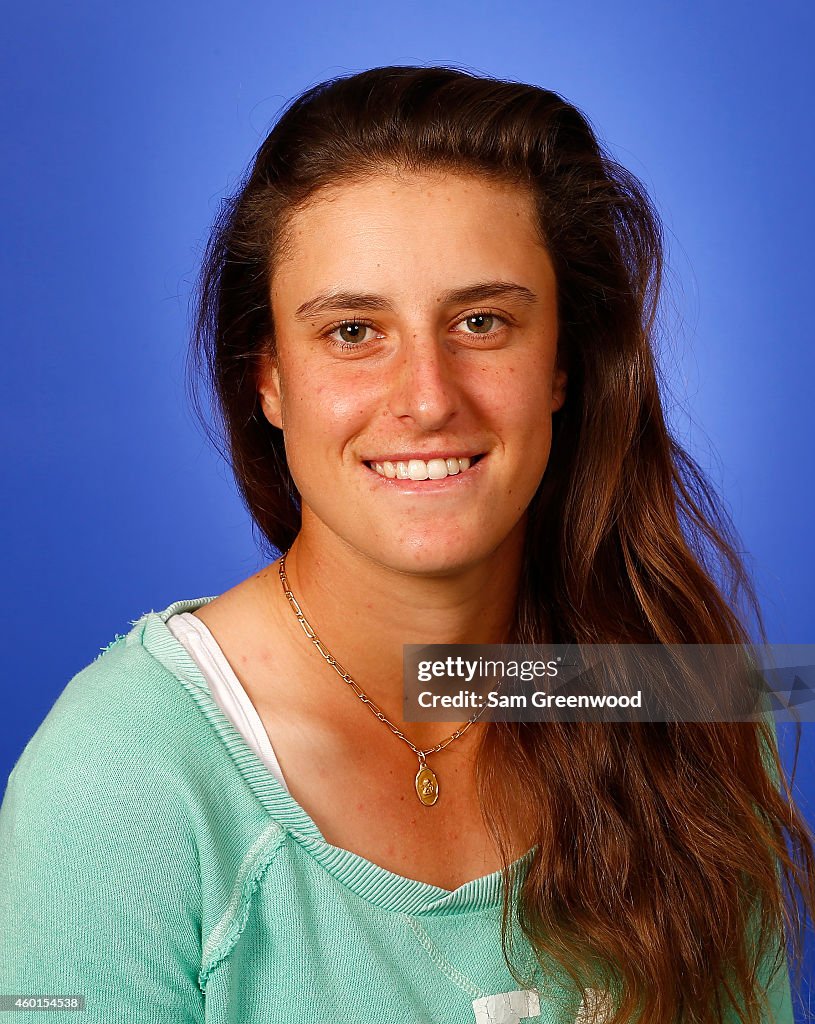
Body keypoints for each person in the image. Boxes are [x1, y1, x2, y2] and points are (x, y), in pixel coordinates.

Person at [0, 64, 813, 1024]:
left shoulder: (691, 700)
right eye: (352, 331)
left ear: (561, 362)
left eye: (481, 322)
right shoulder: (118, 780)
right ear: (267, 377)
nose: (427, 397)